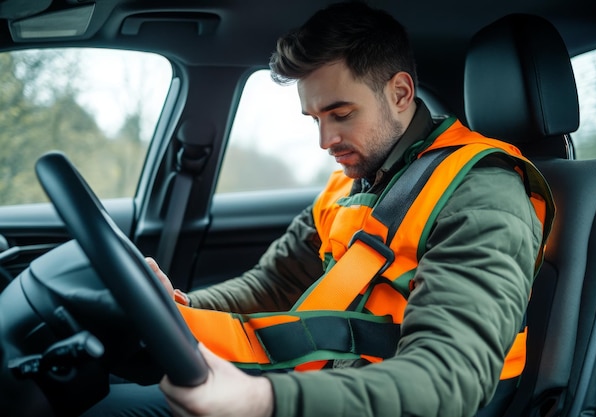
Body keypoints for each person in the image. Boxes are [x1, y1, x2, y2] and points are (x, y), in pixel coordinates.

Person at [83, 2, 554, 416]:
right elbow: (276, 282)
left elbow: (447, 378)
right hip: (321, 380)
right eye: (316, 119)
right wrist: (179, 306)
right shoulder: (347, 187)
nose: (326, 140)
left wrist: (263, 403)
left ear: (401, 93)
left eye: (342, 114)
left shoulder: (485, 193)